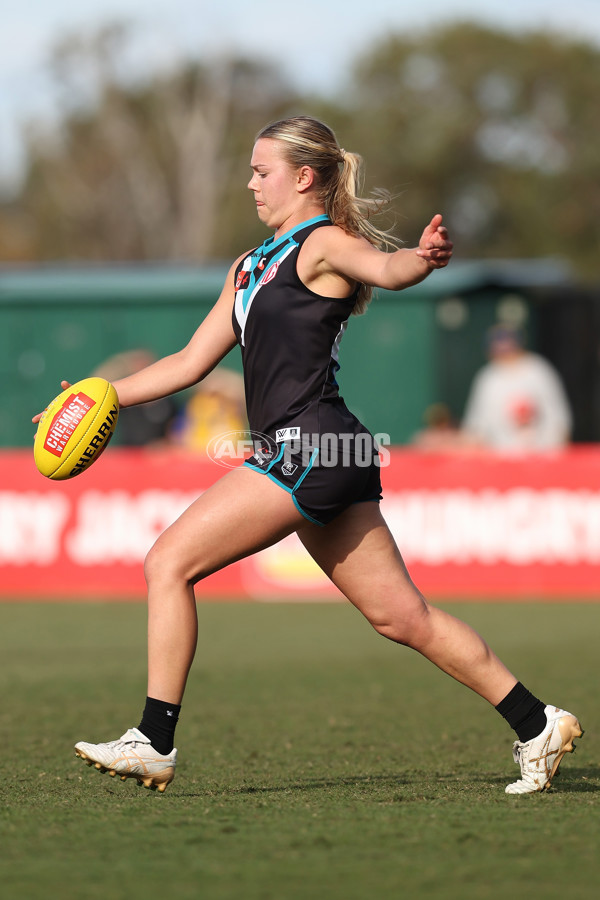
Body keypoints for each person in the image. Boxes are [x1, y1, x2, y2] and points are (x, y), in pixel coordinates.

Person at [34, 116, 582, 795]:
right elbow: (188, 361)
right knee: (402, 617)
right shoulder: (249, 265)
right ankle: (538, 722)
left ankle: (154, 739)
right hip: (328, 449)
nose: (250, 183)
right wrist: (101, 397)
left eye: (261, 171)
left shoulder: (323, 244)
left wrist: (423, 257)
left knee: (168, 562)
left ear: (302, 177)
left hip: (310, 446)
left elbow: (387, 268)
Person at [462, 324, 573, 452]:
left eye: (507, 341)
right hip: (501, 460)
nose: (504, 347)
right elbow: (476, 427)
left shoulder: (538, 370)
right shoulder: (488, 377)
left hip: (542, 457)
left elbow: (559, 419)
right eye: (498, 342)